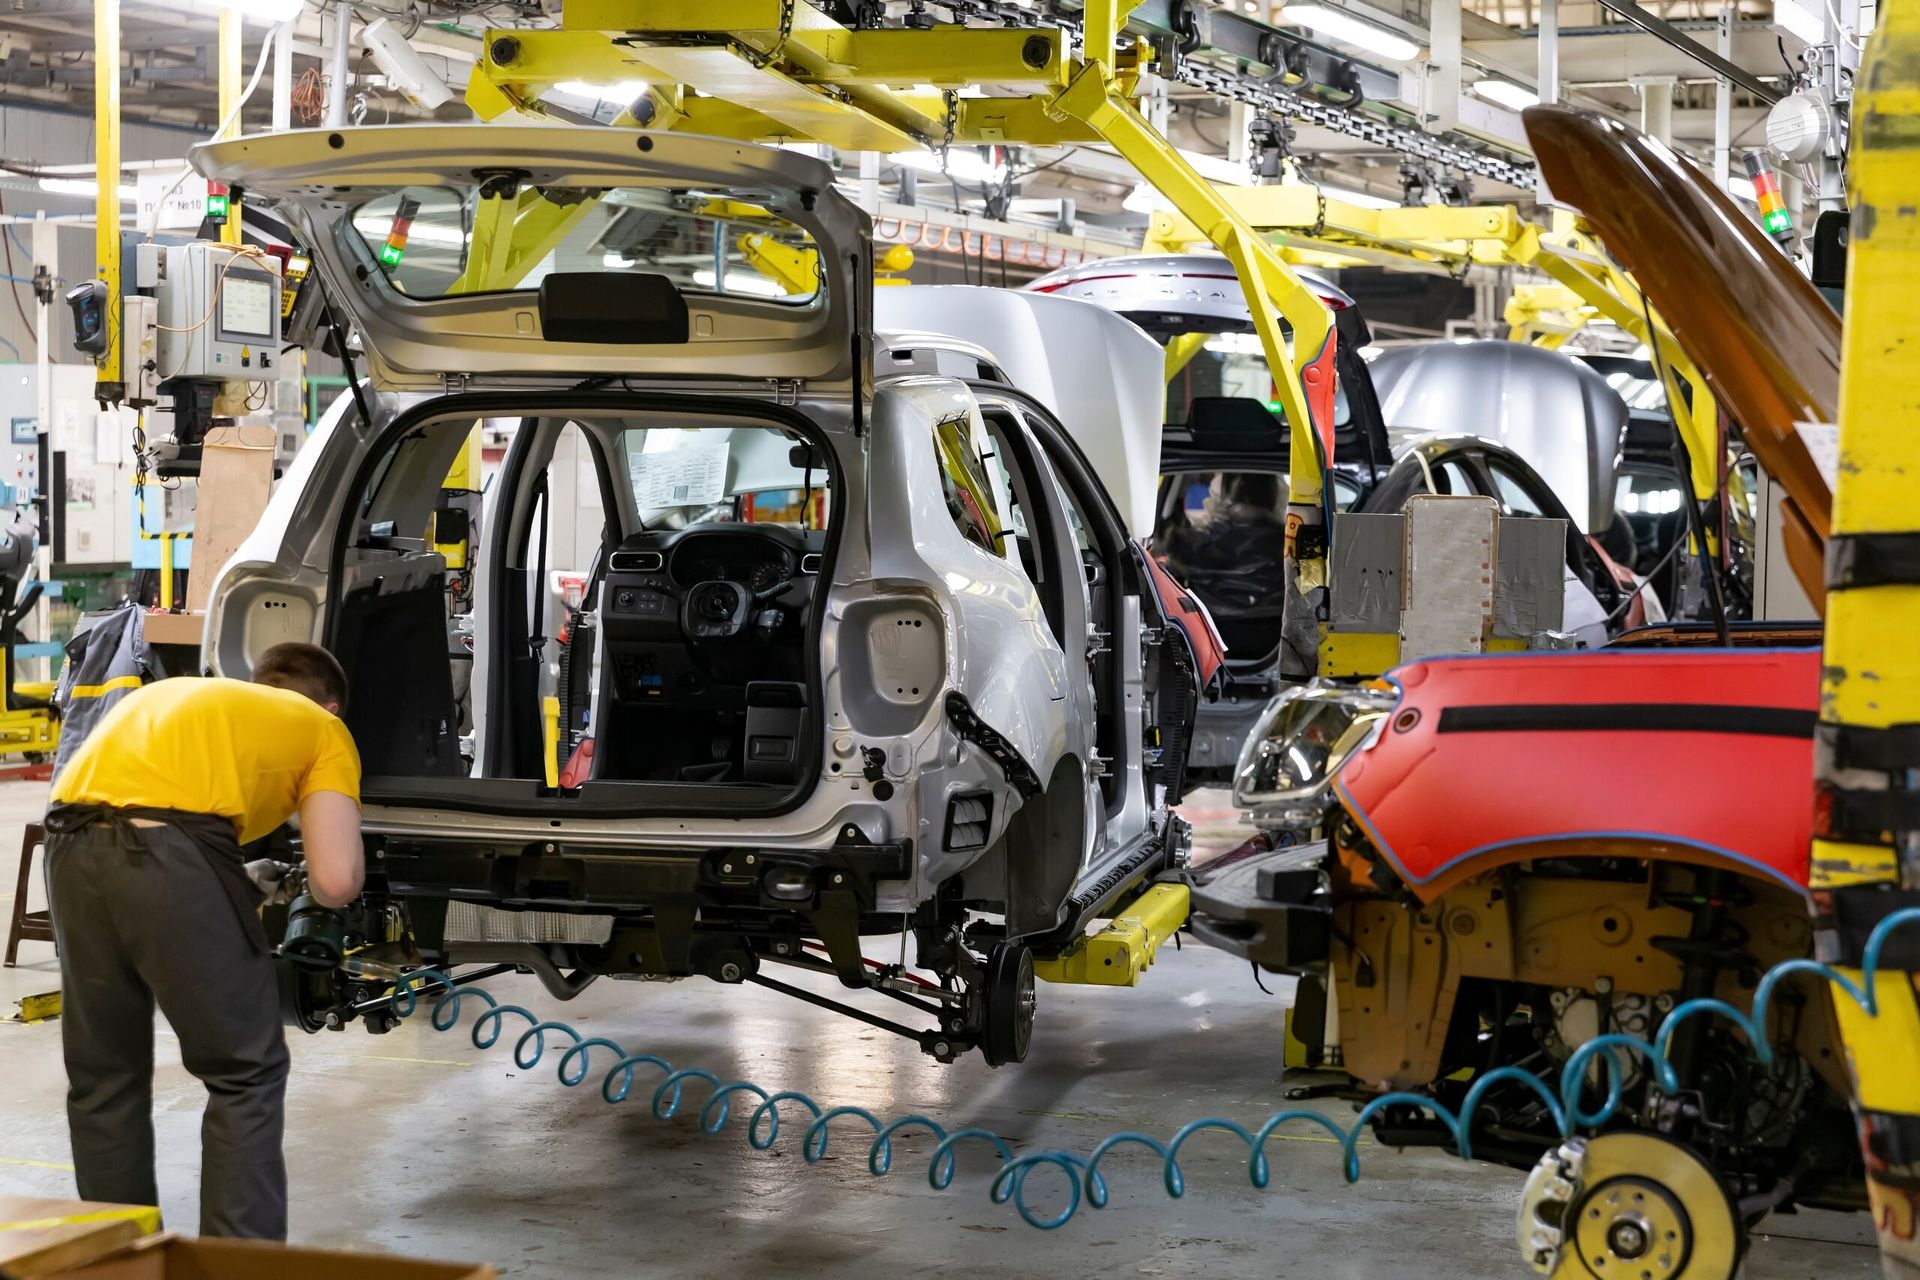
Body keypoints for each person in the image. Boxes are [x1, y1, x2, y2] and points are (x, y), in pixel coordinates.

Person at [42, 642, 364, 1240]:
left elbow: (135, 813)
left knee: (104, 1077)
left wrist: (235, 883)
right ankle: (237, 1268)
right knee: (246, 1073)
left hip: (66, 841)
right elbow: (335, 879)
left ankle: (121, 1261)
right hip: (172, 849)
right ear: (332, 705)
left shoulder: (187, 694)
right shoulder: (323, 729)